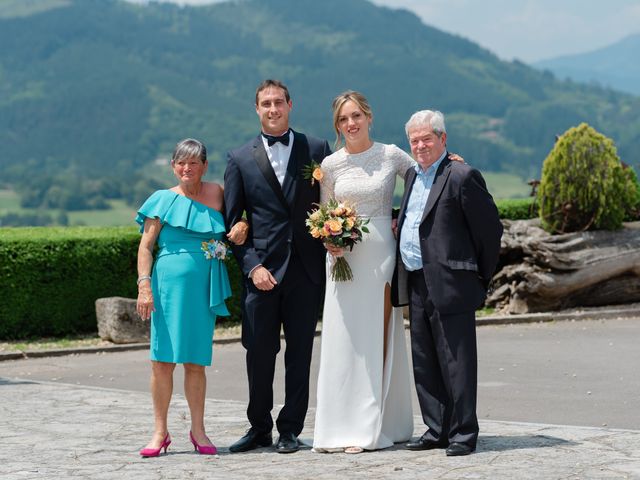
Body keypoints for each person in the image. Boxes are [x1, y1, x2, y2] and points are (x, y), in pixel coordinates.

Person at [313, 91, 458, 453]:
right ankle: (339, 425)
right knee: (344, 340)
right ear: (337, 124)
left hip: (380, 256)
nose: (351, 123)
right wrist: (327, 240)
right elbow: (323, 211)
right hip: (343, 258)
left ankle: (372, 426)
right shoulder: (330, 165)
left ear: (369, 117)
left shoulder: (392, 154)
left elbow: (429, 172)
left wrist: (453, 161)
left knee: (375, 336)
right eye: (344, 118)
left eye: (357, 115)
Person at [224, 79, 332, 454]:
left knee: (300, 354)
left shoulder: (316, 149)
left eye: (278, 103)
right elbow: (232, 226)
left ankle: (290, 429)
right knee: (258, 352)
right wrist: (252, 267)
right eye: (265, 104)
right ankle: (258, 428)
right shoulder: (238, 159)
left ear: (290, 104)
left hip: (305, 271)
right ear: (257, 109)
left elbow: (332, 203)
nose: (273, 109)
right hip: (261, 274)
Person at [391, 110, 503, 456]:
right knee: (424, 359)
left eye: (427, 138)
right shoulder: (411, 175)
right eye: (415, 141)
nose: (421, 145)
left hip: (452, 281)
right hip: (416, 278)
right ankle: (436, 428)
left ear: (443, 139)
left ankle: (463, 433)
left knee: (457, 361)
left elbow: (490, 231)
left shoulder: (462, 175)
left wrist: (475, 274)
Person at [136, 138, 248, 457]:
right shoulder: (161, 199)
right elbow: (145, 247)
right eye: (181, 163)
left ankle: (198, 430)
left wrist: (241, 223)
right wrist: (144, 286)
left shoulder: (218, 194)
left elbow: (241, 218)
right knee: (162, 361)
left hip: (204, 286)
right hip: (166, 288)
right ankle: (160, 432)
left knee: (196, 362)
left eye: (194, 162)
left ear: (204, 166)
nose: (187, 168)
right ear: (173, 166)